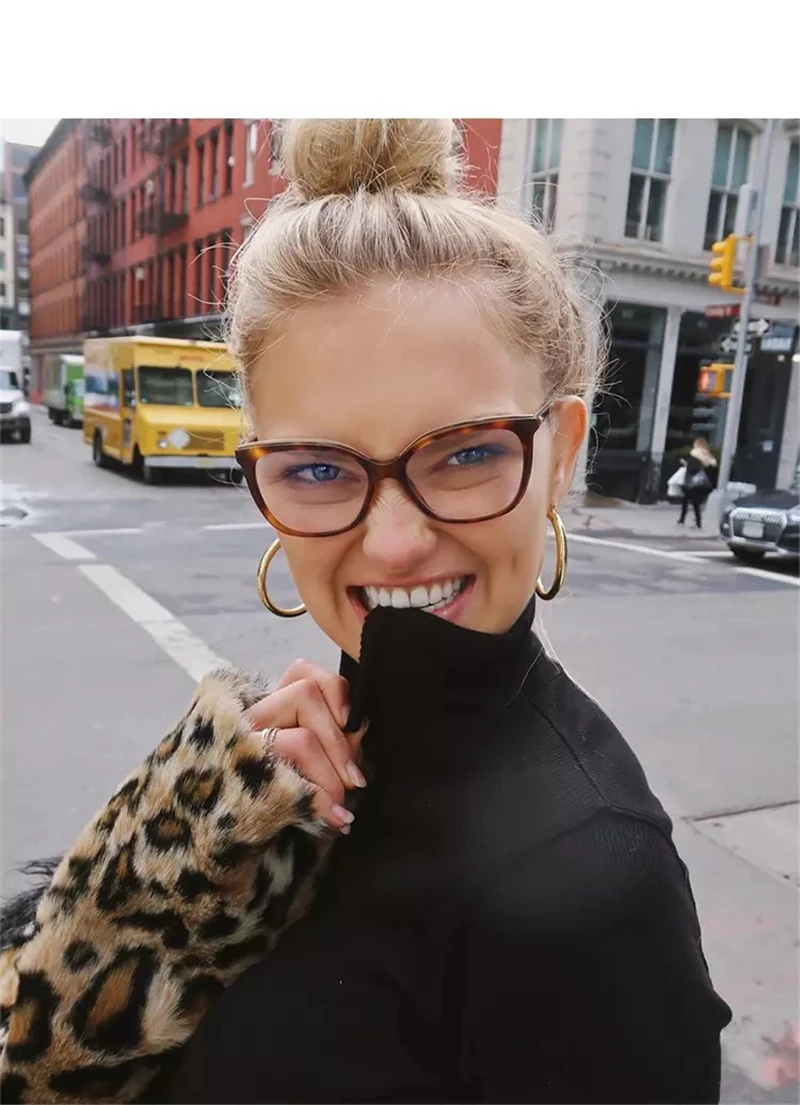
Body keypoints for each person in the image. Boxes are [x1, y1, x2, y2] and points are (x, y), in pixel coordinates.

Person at [0, 120, 731, 1105]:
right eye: (317, 468)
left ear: (560, 452)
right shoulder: (272, 782)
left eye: (467, 452)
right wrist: (187, 844)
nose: (391, 543)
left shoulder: (595, 879)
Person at [678, 437, 718, 529]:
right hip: (703, 483)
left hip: (692, 482)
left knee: (686, 500)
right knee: (695, 503)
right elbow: (712, 466)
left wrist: (685, 464)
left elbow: (692, 467)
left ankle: (684, 520)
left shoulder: (694, 453)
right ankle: (697, 522)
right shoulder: (708, 455)